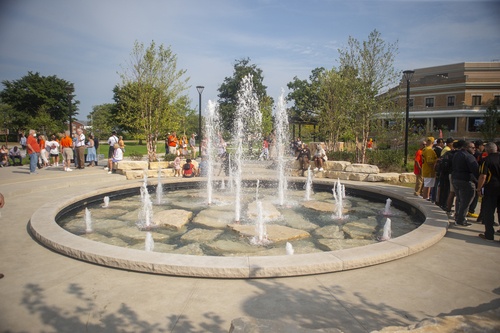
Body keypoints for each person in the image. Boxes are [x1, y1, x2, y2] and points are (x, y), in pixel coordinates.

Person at [451, 140, 479, 227]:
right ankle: (461, 219)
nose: (475, 149)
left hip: (455, 178)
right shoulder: (469, 156)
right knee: (466, 200)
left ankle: (457, 216)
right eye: (473, 148)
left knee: (459, 199)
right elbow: (475, 169)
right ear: (467, 148)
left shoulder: (456, 154)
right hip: (465, 180)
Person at [477, 142, 500, 241]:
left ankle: (489, 234)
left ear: (487, 150)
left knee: (489, 212)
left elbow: (483, 176)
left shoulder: (486, 160)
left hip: (491, 189)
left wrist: (479, 188)